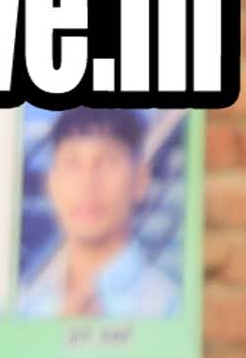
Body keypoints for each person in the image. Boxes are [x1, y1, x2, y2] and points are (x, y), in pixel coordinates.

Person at [20, 107, 182, 320]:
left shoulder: (170, 308)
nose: (88, 183)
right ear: (51, 183)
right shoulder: (26, 309)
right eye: (72, 163)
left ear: (140, 180)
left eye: (108, 161)